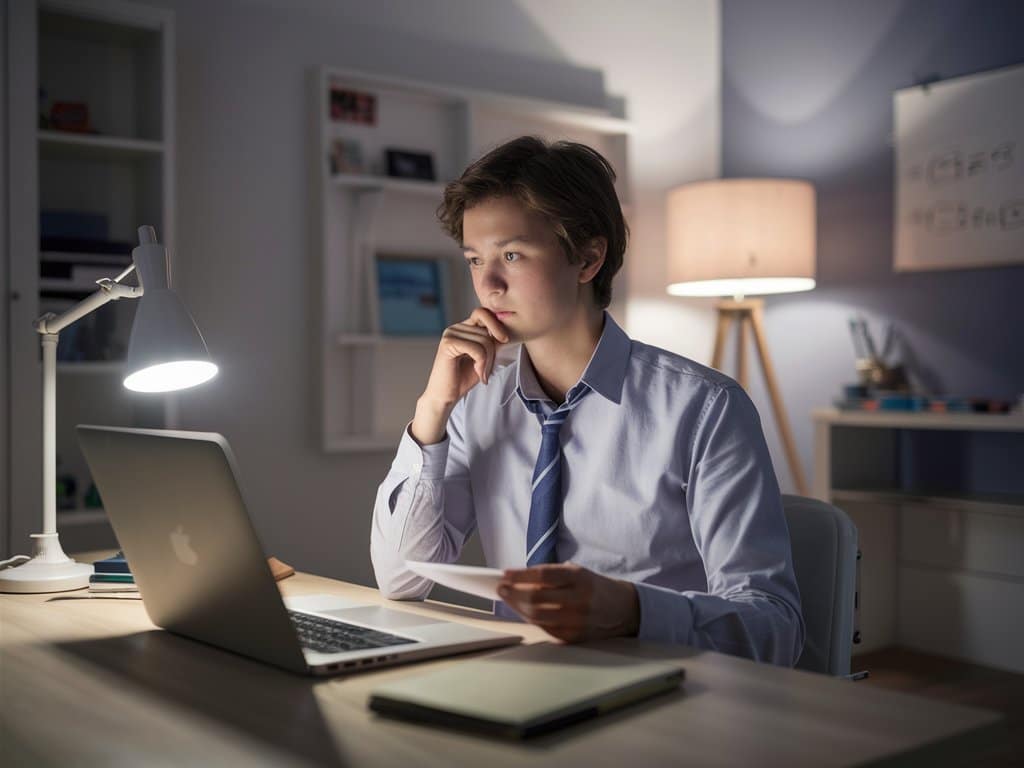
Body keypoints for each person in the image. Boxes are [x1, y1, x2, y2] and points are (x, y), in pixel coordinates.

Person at [370, 136, 804, 666]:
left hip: (665, 697)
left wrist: (632, 610)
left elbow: (776, 627)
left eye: (511, 254)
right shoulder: (474, 405)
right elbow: (400, 579)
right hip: (519, 685)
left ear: (588, 258)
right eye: (474, 259)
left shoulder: (706, 409)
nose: (488, 284)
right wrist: (431, 411)